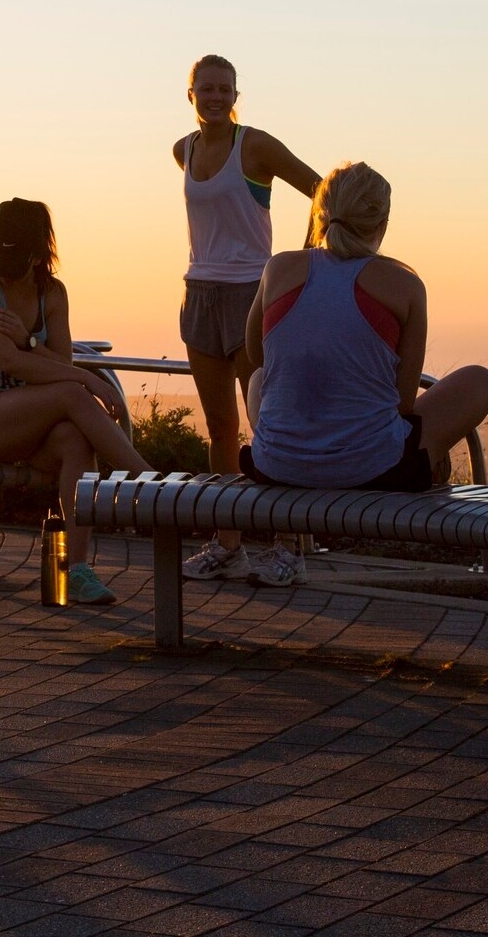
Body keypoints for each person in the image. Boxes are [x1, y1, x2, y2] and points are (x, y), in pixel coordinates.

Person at [241, 163, 488, 490]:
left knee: (258, 379)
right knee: (481, 380)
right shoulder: (405, 284)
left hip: (276, 466)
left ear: (321, 213)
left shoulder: (278, 268)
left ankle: (291, 448)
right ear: (381, 224)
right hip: (373, 471)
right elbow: (403, 402)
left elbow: (257, 355)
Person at [0, 198, 152, 604]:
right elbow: (10, 361)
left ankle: (76, 569)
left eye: (16, 261)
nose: (5, 271)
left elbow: (58, 364)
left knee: (76, 441)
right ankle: (151, 486)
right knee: (73, 394)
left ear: (38, 254)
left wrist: (28, 340)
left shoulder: (53, 293)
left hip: (29, 421)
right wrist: (88, 379)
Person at [173, 54, 320, 586]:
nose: (216, 97)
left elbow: (322, 191)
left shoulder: (255, 145)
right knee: (220, 429)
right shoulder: (183, 150)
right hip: (199, 294)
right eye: (206, 88)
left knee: (269, 425)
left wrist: (302, 259)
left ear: (237, 96)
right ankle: (228, 545)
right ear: (190, 93)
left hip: (252, 296)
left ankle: (289, 546)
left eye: (225, 89)